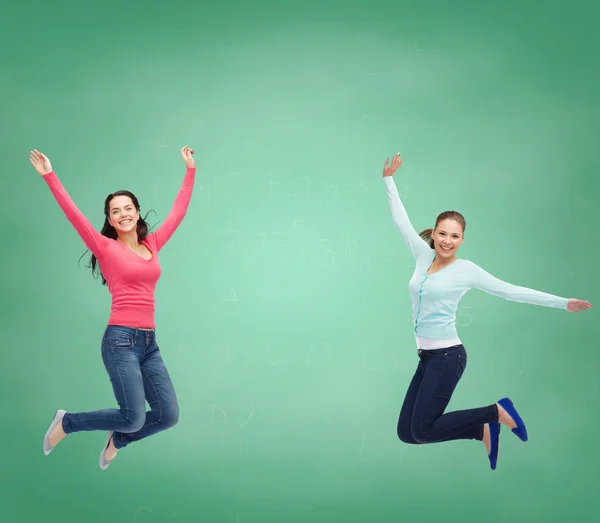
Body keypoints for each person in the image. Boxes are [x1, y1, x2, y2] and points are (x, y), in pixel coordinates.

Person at [383, 153, 591, 470]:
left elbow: (511, 291)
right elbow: (401, 221)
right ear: (435, 233)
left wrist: (562, 302)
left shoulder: (467, 271)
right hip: (427, 358)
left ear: (462, 239)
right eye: (442, 233)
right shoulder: (422, 256)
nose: (447, 241)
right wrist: (389, 179)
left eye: (454, 236)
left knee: (423, 429)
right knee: (408, 434)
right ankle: (480, 430)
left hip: (447, 357)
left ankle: (495, 412)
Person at [30, 146, 197, 470]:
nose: (122, 214)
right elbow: (73, 214)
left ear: (137, 212)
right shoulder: (104, 248)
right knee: (132, 417)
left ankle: (117, 439)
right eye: (115, 211)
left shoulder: (152, 244)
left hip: (149, 344)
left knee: (168, 415)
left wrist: (190, 170)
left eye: (128, 208)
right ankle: (67, 422)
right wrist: (50, 176)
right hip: (120, 341)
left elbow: (178, 212)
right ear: (109, 219)